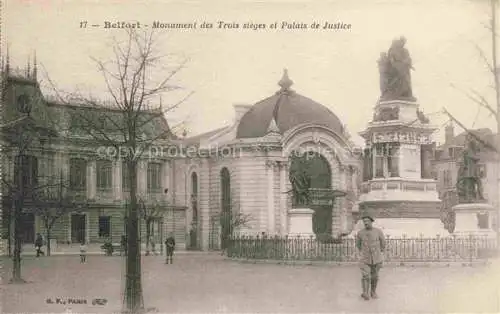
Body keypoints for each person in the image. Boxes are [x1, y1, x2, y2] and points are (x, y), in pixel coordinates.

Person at [356, 215, 386, 300]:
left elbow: (383, 243)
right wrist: (362, 254)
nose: (366, 223)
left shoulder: (378, 231)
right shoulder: (360, 233)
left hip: (376, 258)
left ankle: (373, 292)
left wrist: (380, 252)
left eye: (367, 221)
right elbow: (358, 245)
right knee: (366, 276)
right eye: (364, 221)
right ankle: (365, 293)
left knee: (375, 276)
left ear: (371, 222)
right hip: (365, 258)